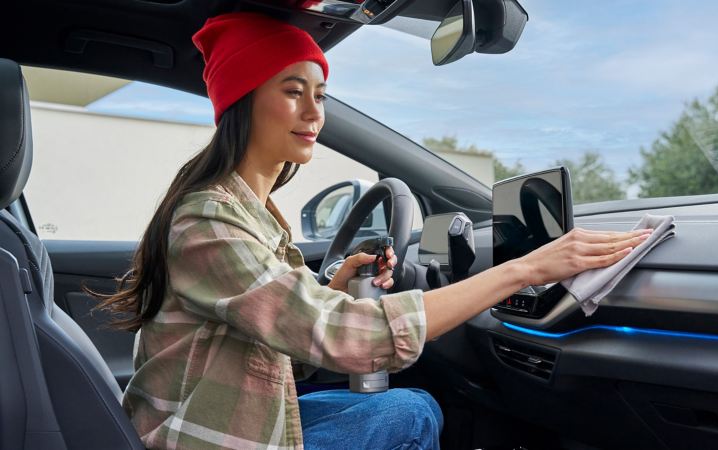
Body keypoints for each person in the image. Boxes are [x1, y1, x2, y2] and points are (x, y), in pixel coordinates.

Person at [94, 11, 652, 450]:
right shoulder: (209, 220)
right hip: (201, 439)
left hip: (231, 417)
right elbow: (345, 338)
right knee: (412, 414)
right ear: (242, 98)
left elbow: (280, 349)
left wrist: (331, 291)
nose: (315, 113)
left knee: (413, 406)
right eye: (293, 91)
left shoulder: (250, 214)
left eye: (320, 95)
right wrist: (526, 269)